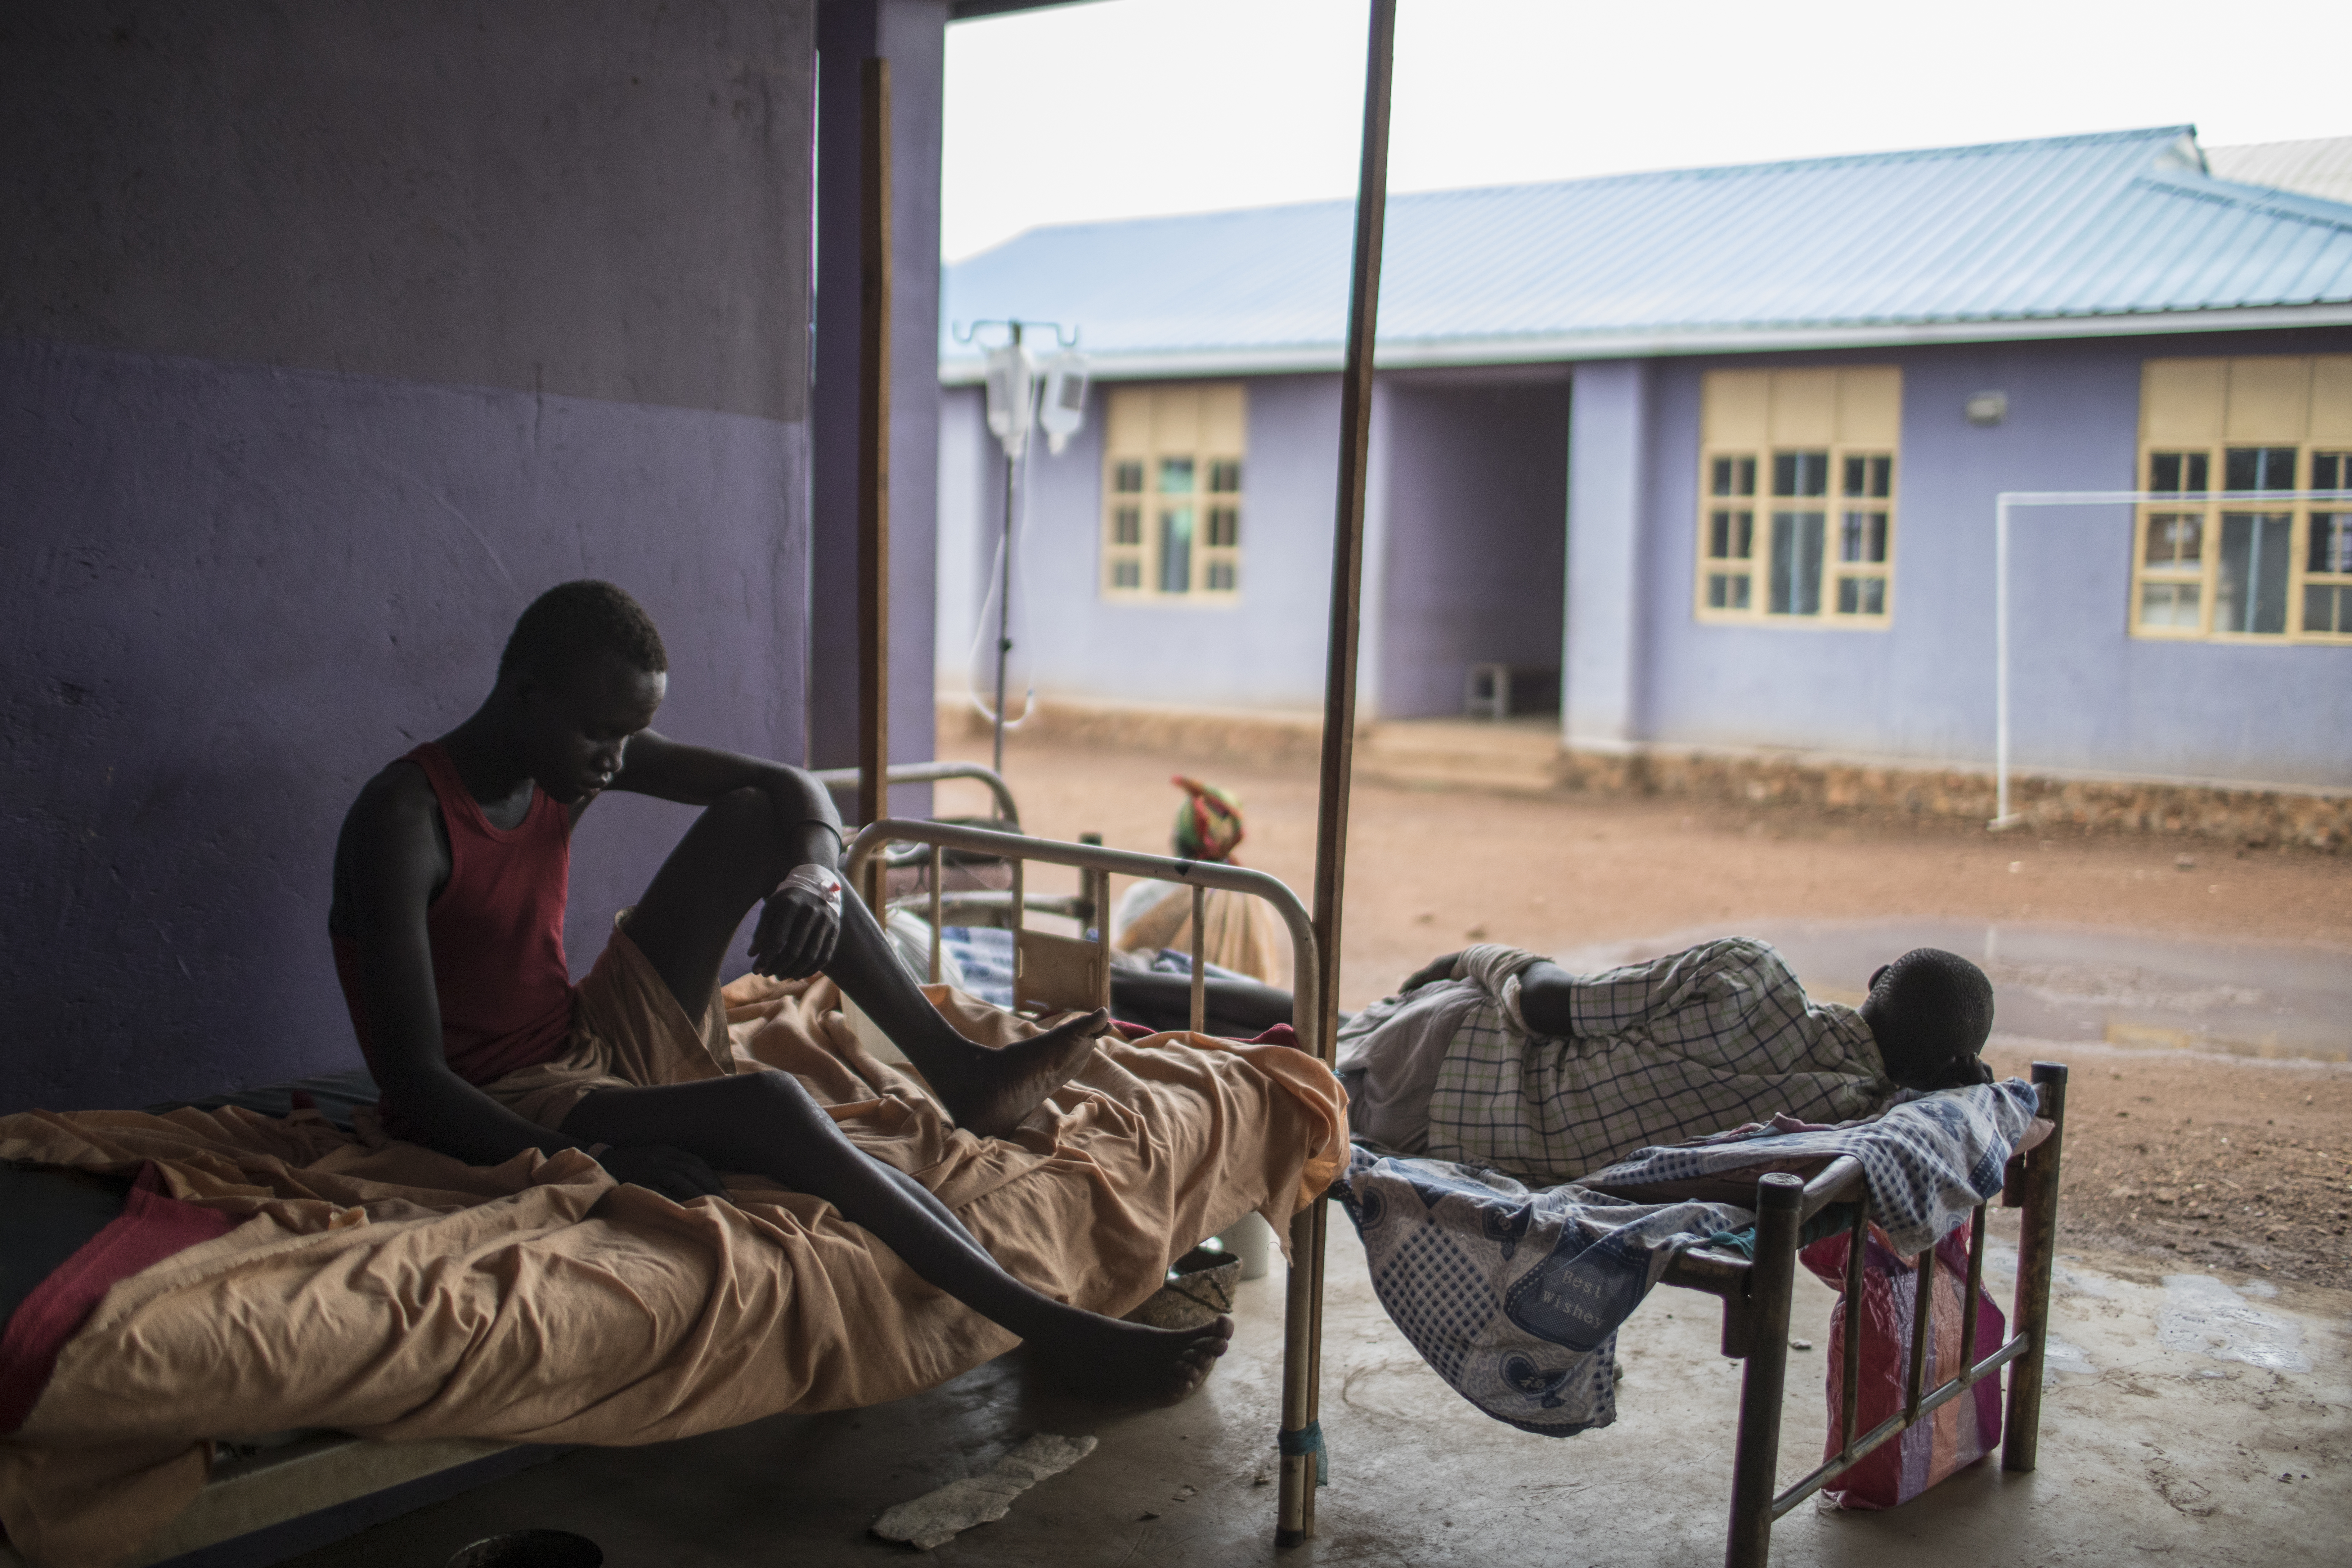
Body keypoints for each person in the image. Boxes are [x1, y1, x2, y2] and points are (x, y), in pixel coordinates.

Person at [328, 581, 1229, 1401]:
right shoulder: (404, 821)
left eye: (625, 738)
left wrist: (816, 876)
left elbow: (784, 786)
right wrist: (595, 1160)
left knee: (764, 822)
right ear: (525, 695)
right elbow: (413, 1082)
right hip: (502, 1094)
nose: (613, 761)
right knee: (771, 1100)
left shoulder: (558, 757)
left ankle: (960, 1072)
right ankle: (1057, 1329)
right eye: (600, 735)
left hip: (584, 1033)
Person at [1336, 937, 1998, 1184]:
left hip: (1446, 1052)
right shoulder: (1862, 1121)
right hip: (1443, 1137)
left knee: (1304, 1037)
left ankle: (1228, 995)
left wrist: (1473, 955)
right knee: (1309, 1036)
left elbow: (1544, 1005)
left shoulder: (1747, 978)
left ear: (1877, 975)